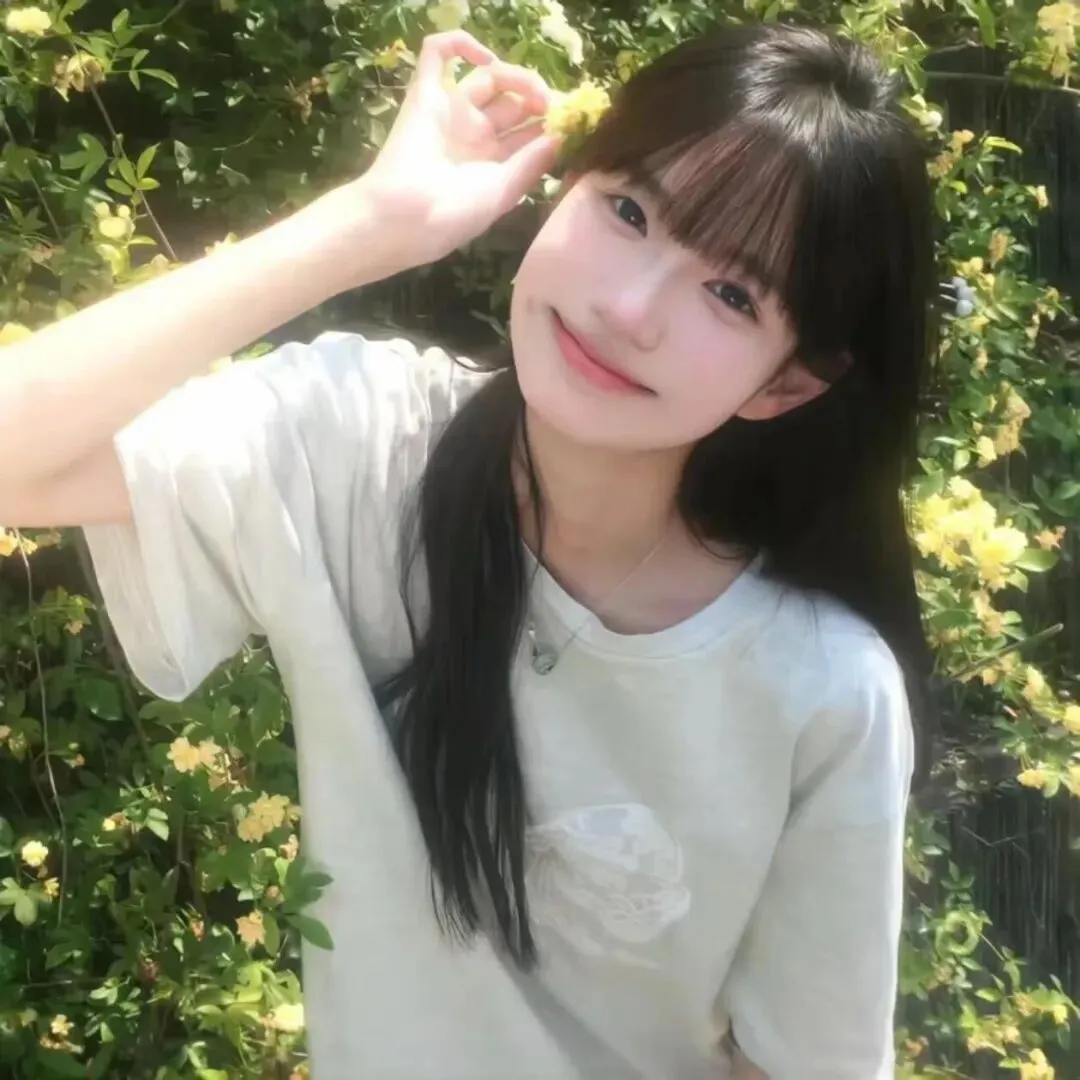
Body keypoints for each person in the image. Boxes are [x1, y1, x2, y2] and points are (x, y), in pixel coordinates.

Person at [0, 20, 937, 1080]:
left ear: (786, 384)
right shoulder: (363, 447)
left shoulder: (822, 691)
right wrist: (369, 223)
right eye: (628, 211)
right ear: (564, 181)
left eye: (731, 294)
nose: (629, 308)